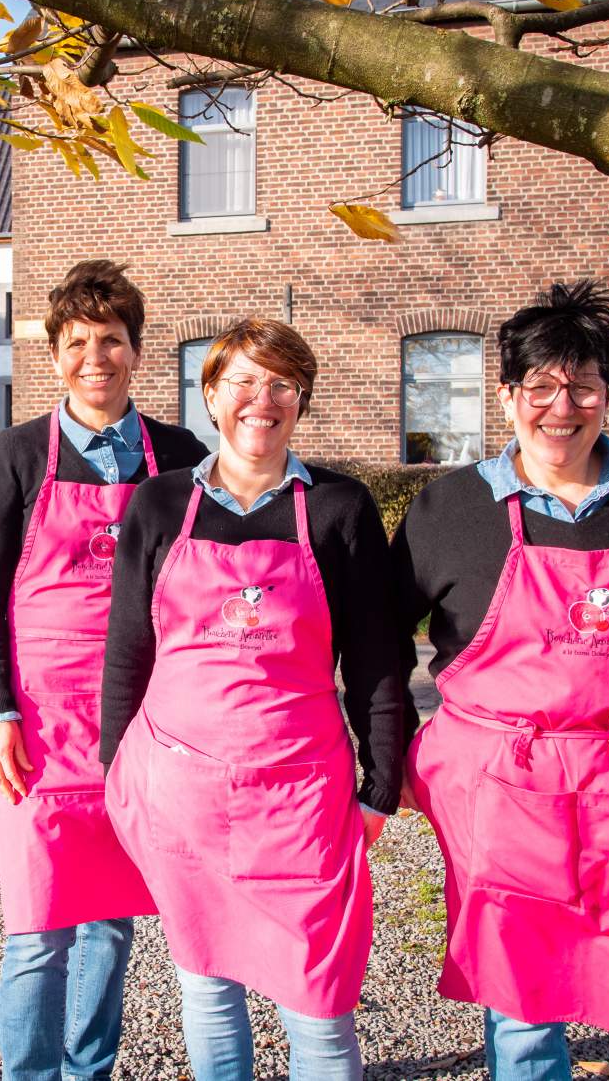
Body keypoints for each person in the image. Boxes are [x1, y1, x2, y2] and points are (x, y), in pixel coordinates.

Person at [101, 317, 409, 1081]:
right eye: (242, 380)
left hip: (302, 798)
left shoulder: (340, 508)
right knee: (207, 988)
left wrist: (381, 781)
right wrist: (116, 769)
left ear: (301, 399)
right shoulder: (160, 505)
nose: (260, 399)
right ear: (211, 393)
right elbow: (127, 651)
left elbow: (377, 658)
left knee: (320, 1004)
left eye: (281, 383)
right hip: (182, 793)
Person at [393, 281, 609, 1081]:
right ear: (508, 394)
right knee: (523, 1004)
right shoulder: (450, 509)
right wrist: (393, 756)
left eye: (583, 384)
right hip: (502, 795)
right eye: (542, 387)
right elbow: (376, 643)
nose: (563, 407)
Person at [0, 260, 209, 1081]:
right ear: (55, 354)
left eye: (111, 340)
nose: (94, 357)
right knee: (37, 928)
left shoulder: (177, 455)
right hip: (42, 723)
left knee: (111, 920)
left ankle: (89, 1069)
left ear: (137, 352)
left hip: (144, 716)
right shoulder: (19, 452)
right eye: (76, 342)